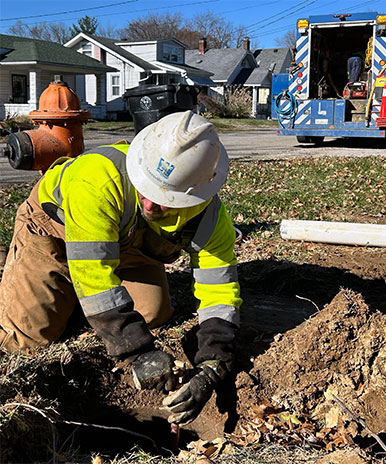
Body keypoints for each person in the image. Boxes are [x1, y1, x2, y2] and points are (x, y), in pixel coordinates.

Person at [0, 110, 242, 425]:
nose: (152, 205)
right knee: (24, 342)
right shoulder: (98, 177)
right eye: (148, 189)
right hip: (53, 233)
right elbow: (93, 274)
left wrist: (212, 365)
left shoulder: (211, 218)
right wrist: (138, 352)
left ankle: (69, 303)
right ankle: (36, 287)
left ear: (195, 194)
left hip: (124, 245)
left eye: (165, 198)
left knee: (152, 313)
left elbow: (220, 293)